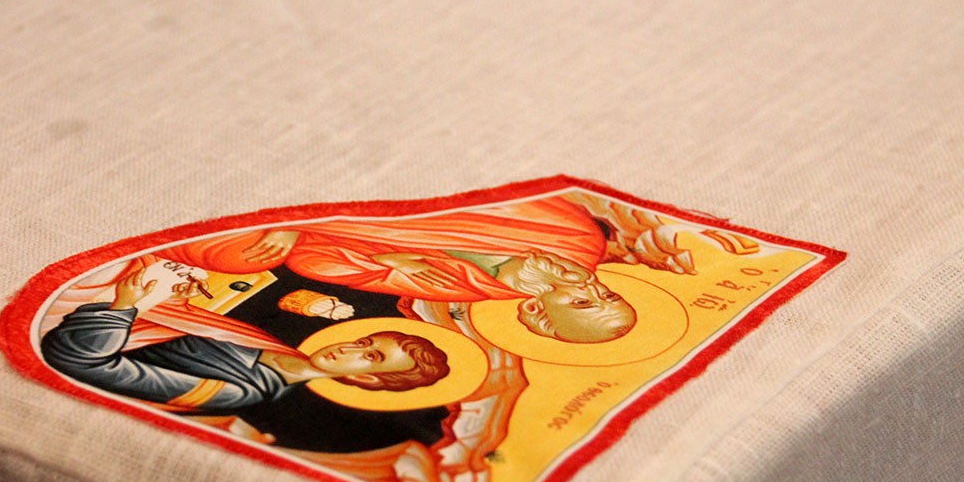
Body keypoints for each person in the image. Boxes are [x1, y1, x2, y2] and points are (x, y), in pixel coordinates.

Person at [157, 194, 681, 343]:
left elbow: (313, 261)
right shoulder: (576, 238)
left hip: (318, 215)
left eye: (582, 302)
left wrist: (385, 258)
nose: (588, 284)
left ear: (537, 315)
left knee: (233, 255)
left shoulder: (452, 286)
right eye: (609, 294)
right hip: (378, 180)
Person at [41, 268, 450, 414]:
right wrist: (179, 303)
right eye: (364, 341)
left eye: (371, 357)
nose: (350, 348)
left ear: (368, 380)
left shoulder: (237, 391)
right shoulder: (266, 343)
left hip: (80, 321)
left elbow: (82, 363)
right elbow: (187, 325)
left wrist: (122, 306)